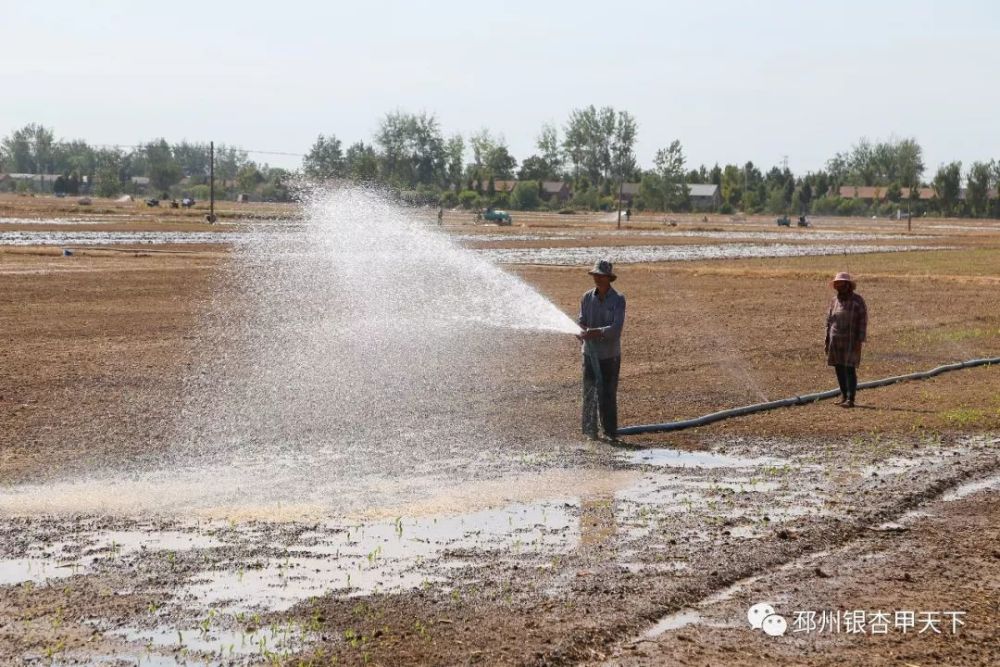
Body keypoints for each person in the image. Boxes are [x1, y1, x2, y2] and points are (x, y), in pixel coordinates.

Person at [577, 259, 626, 441]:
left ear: (608, 278)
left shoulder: (618, 300)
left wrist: (596, 332)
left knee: (607, 393)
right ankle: (590, 432)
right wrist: (580, 330)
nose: (597, 278)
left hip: (609, 356)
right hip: (589, 354)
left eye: (601, 275)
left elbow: (616, 329)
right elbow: (580, 320)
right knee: (589, 392)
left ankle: (610, 432)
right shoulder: (586, 297)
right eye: (595, 275)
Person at [825, 272, 867, 408]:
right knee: (839, 368)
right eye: (836, 284)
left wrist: (860, 340)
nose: (838, 286)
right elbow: (829, 321)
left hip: (851, 341)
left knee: (849, 368)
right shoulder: (834, 301)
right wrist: (826, 340)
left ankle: (851, 399)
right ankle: (843, 395)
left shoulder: (857, 301)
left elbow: (863, 321)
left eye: (841, 283)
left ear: (848, 285)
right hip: (836, 340)